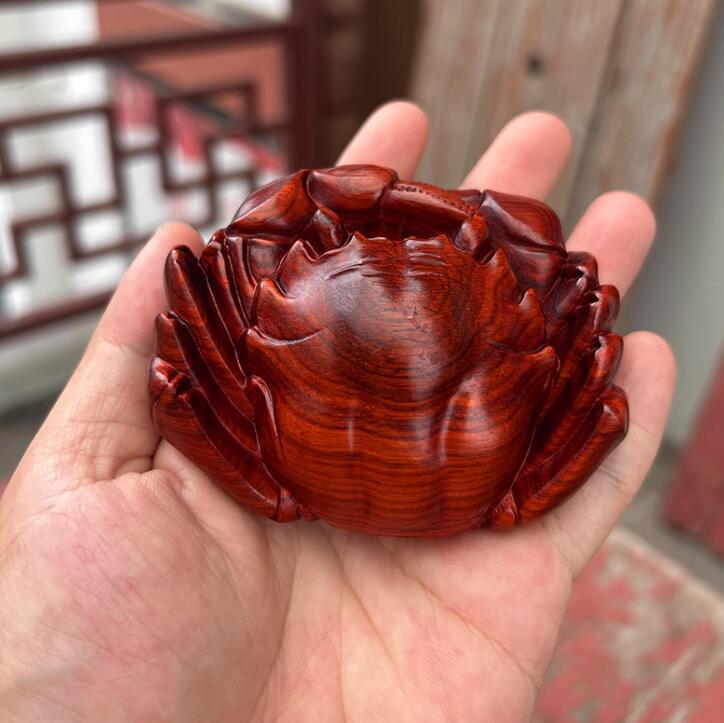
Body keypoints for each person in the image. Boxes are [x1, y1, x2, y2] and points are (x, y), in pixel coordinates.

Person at [0, 102, 675, 721]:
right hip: (484, 513)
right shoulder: (523, 308)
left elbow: (183, 375)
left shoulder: (266, 297)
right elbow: (595, 372)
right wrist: (471, 229)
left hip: (277, 495)